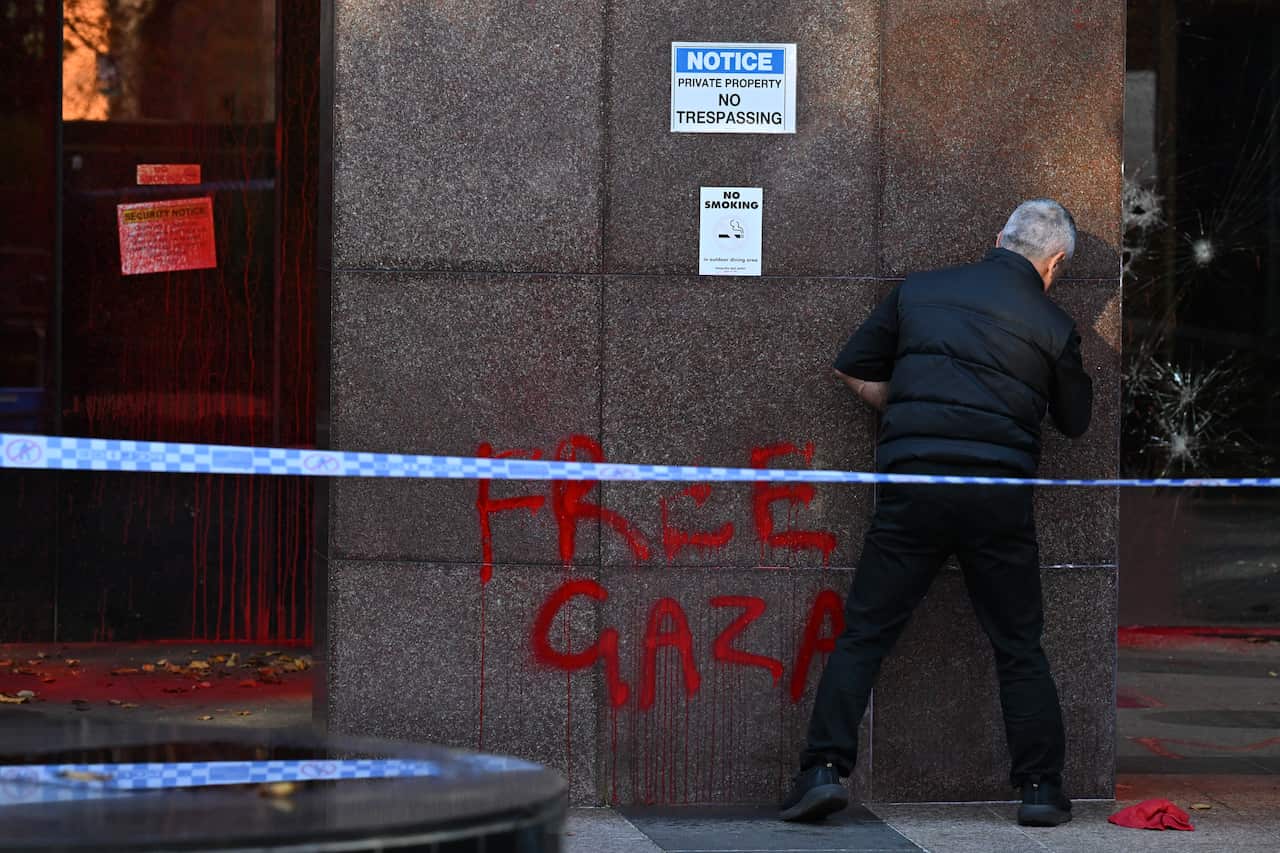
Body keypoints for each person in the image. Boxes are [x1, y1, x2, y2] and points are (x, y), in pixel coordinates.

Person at [779, 199, 1093, 828]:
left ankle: (823, 770)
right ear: (1054, 263)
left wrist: (911, 403)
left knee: (864, 633)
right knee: (1018, 646)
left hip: (913, 488)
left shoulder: (919, 292)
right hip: (996, 503)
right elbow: (1076, 421)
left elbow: (850, 367)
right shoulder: (1053, 326)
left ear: (998, 236)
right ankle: (1039, 788)